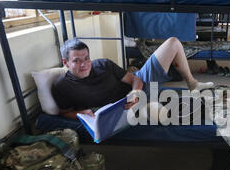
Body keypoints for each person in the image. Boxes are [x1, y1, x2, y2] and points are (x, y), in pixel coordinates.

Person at [51, 37, 214, 121]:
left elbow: (135, 80)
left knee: (173, 43)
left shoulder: (103, 64)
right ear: (65, 63)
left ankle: (193, 84)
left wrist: (135, 93)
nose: (84, 64)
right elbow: (65, 112)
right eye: (77, 61)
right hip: (121, 110)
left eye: (86, 58)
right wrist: (82, 113)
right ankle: (152, 106)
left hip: (138, 89)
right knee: (157, 113)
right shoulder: (62, 86)